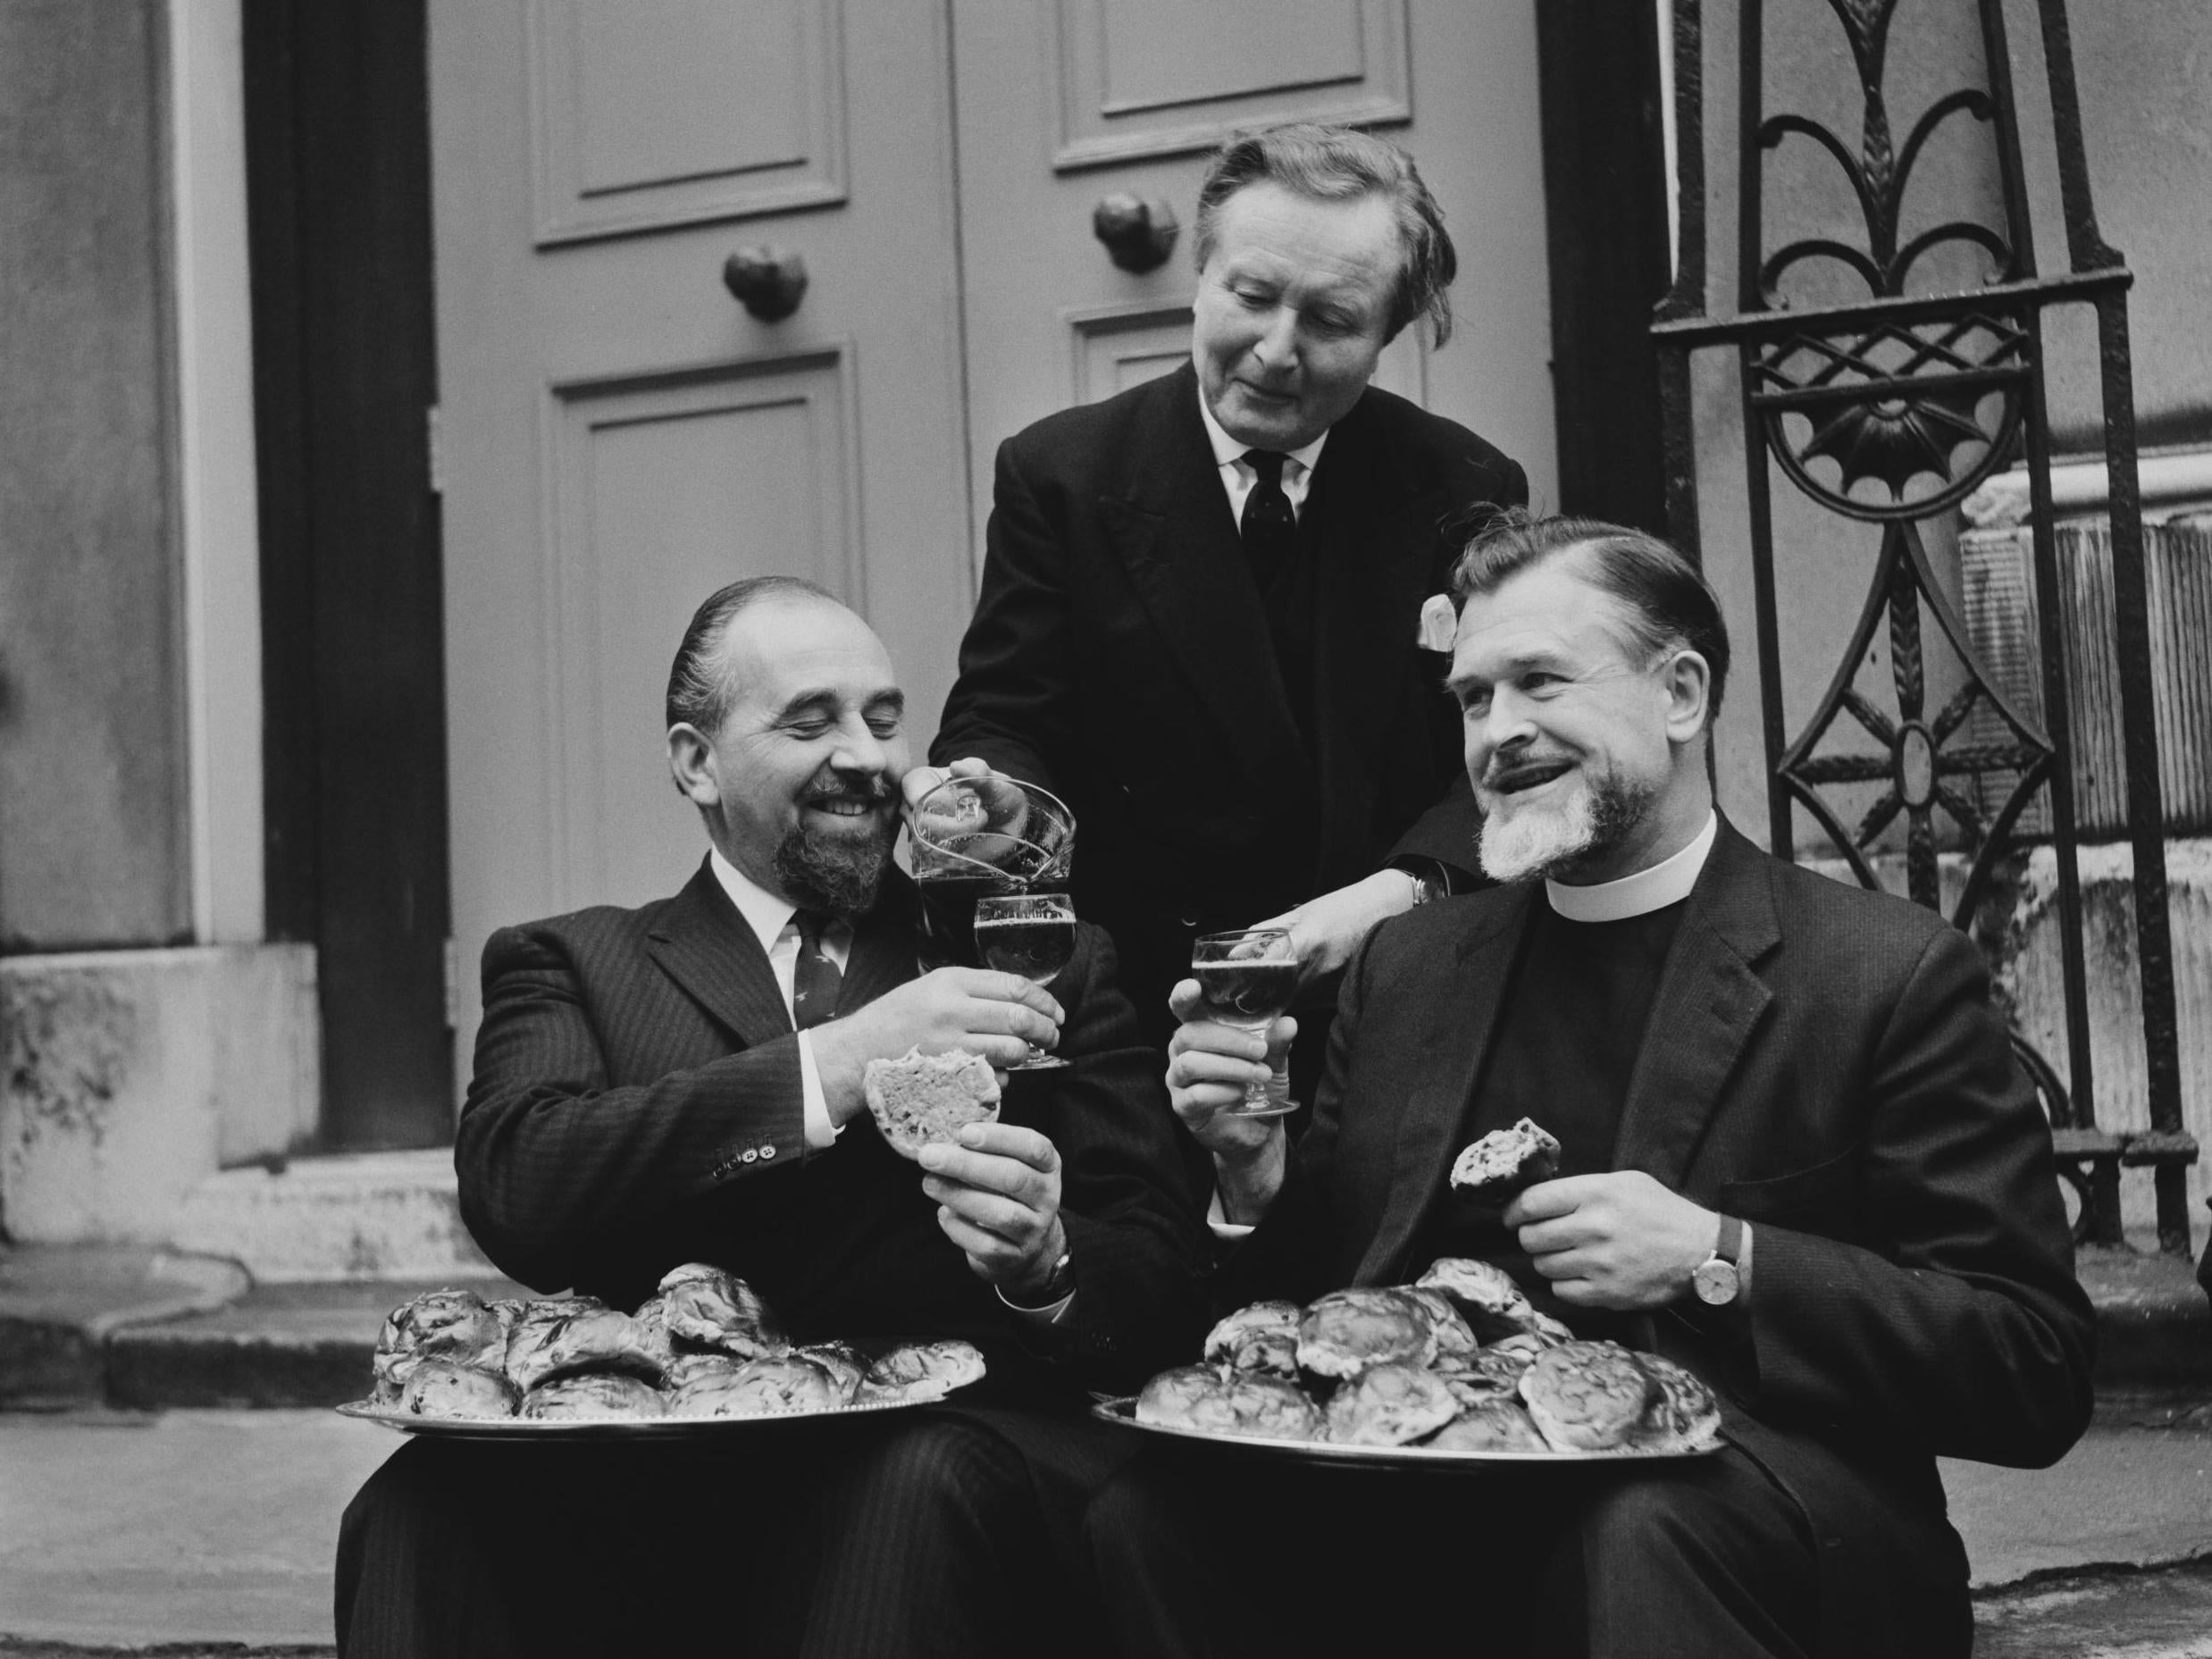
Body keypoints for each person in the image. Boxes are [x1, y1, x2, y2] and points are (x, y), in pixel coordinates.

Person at [1103, 515, 2095, 1658]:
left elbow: (2032, 1368)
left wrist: (1719, 1260)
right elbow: (1326, 1306)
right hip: (1420, 1511)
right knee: (1154, 1508)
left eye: (1538, 683)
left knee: (1634, 1526)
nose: (1498, 734)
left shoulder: (1881, 972)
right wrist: (1248, 1170)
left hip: (1735, 1518)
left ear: (1679, 693)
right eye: (1473, 699)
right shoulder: (1410, 968)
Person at [335, 575, 1208, 1658]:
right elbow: (522, 1188)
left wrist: (1048, 1266)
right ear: (695, 761)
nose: (868, 756)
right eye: (811, 721)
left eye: (884, 721)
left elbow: (1164, 1271)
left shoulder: (1036, 955)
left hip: (946, 1448)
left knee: (905, 1491)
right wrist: (841, 1060)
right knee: (420, 1506)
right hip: (651, 1464)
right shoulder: (574, 961)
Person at [915, 122, 1528, 1079]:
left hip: (1392, 999)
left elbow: (1494, 744)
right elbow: (1004, 715)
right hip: (1143, 1007)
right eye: (1249, 296)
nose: (1276, 351)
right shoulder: (1062, 475)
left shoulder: (1461, 485)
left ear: (1387, 335)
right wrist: (998, 807)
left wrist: (1404, 893)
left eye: (1330, 321)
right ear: (1200, 278)